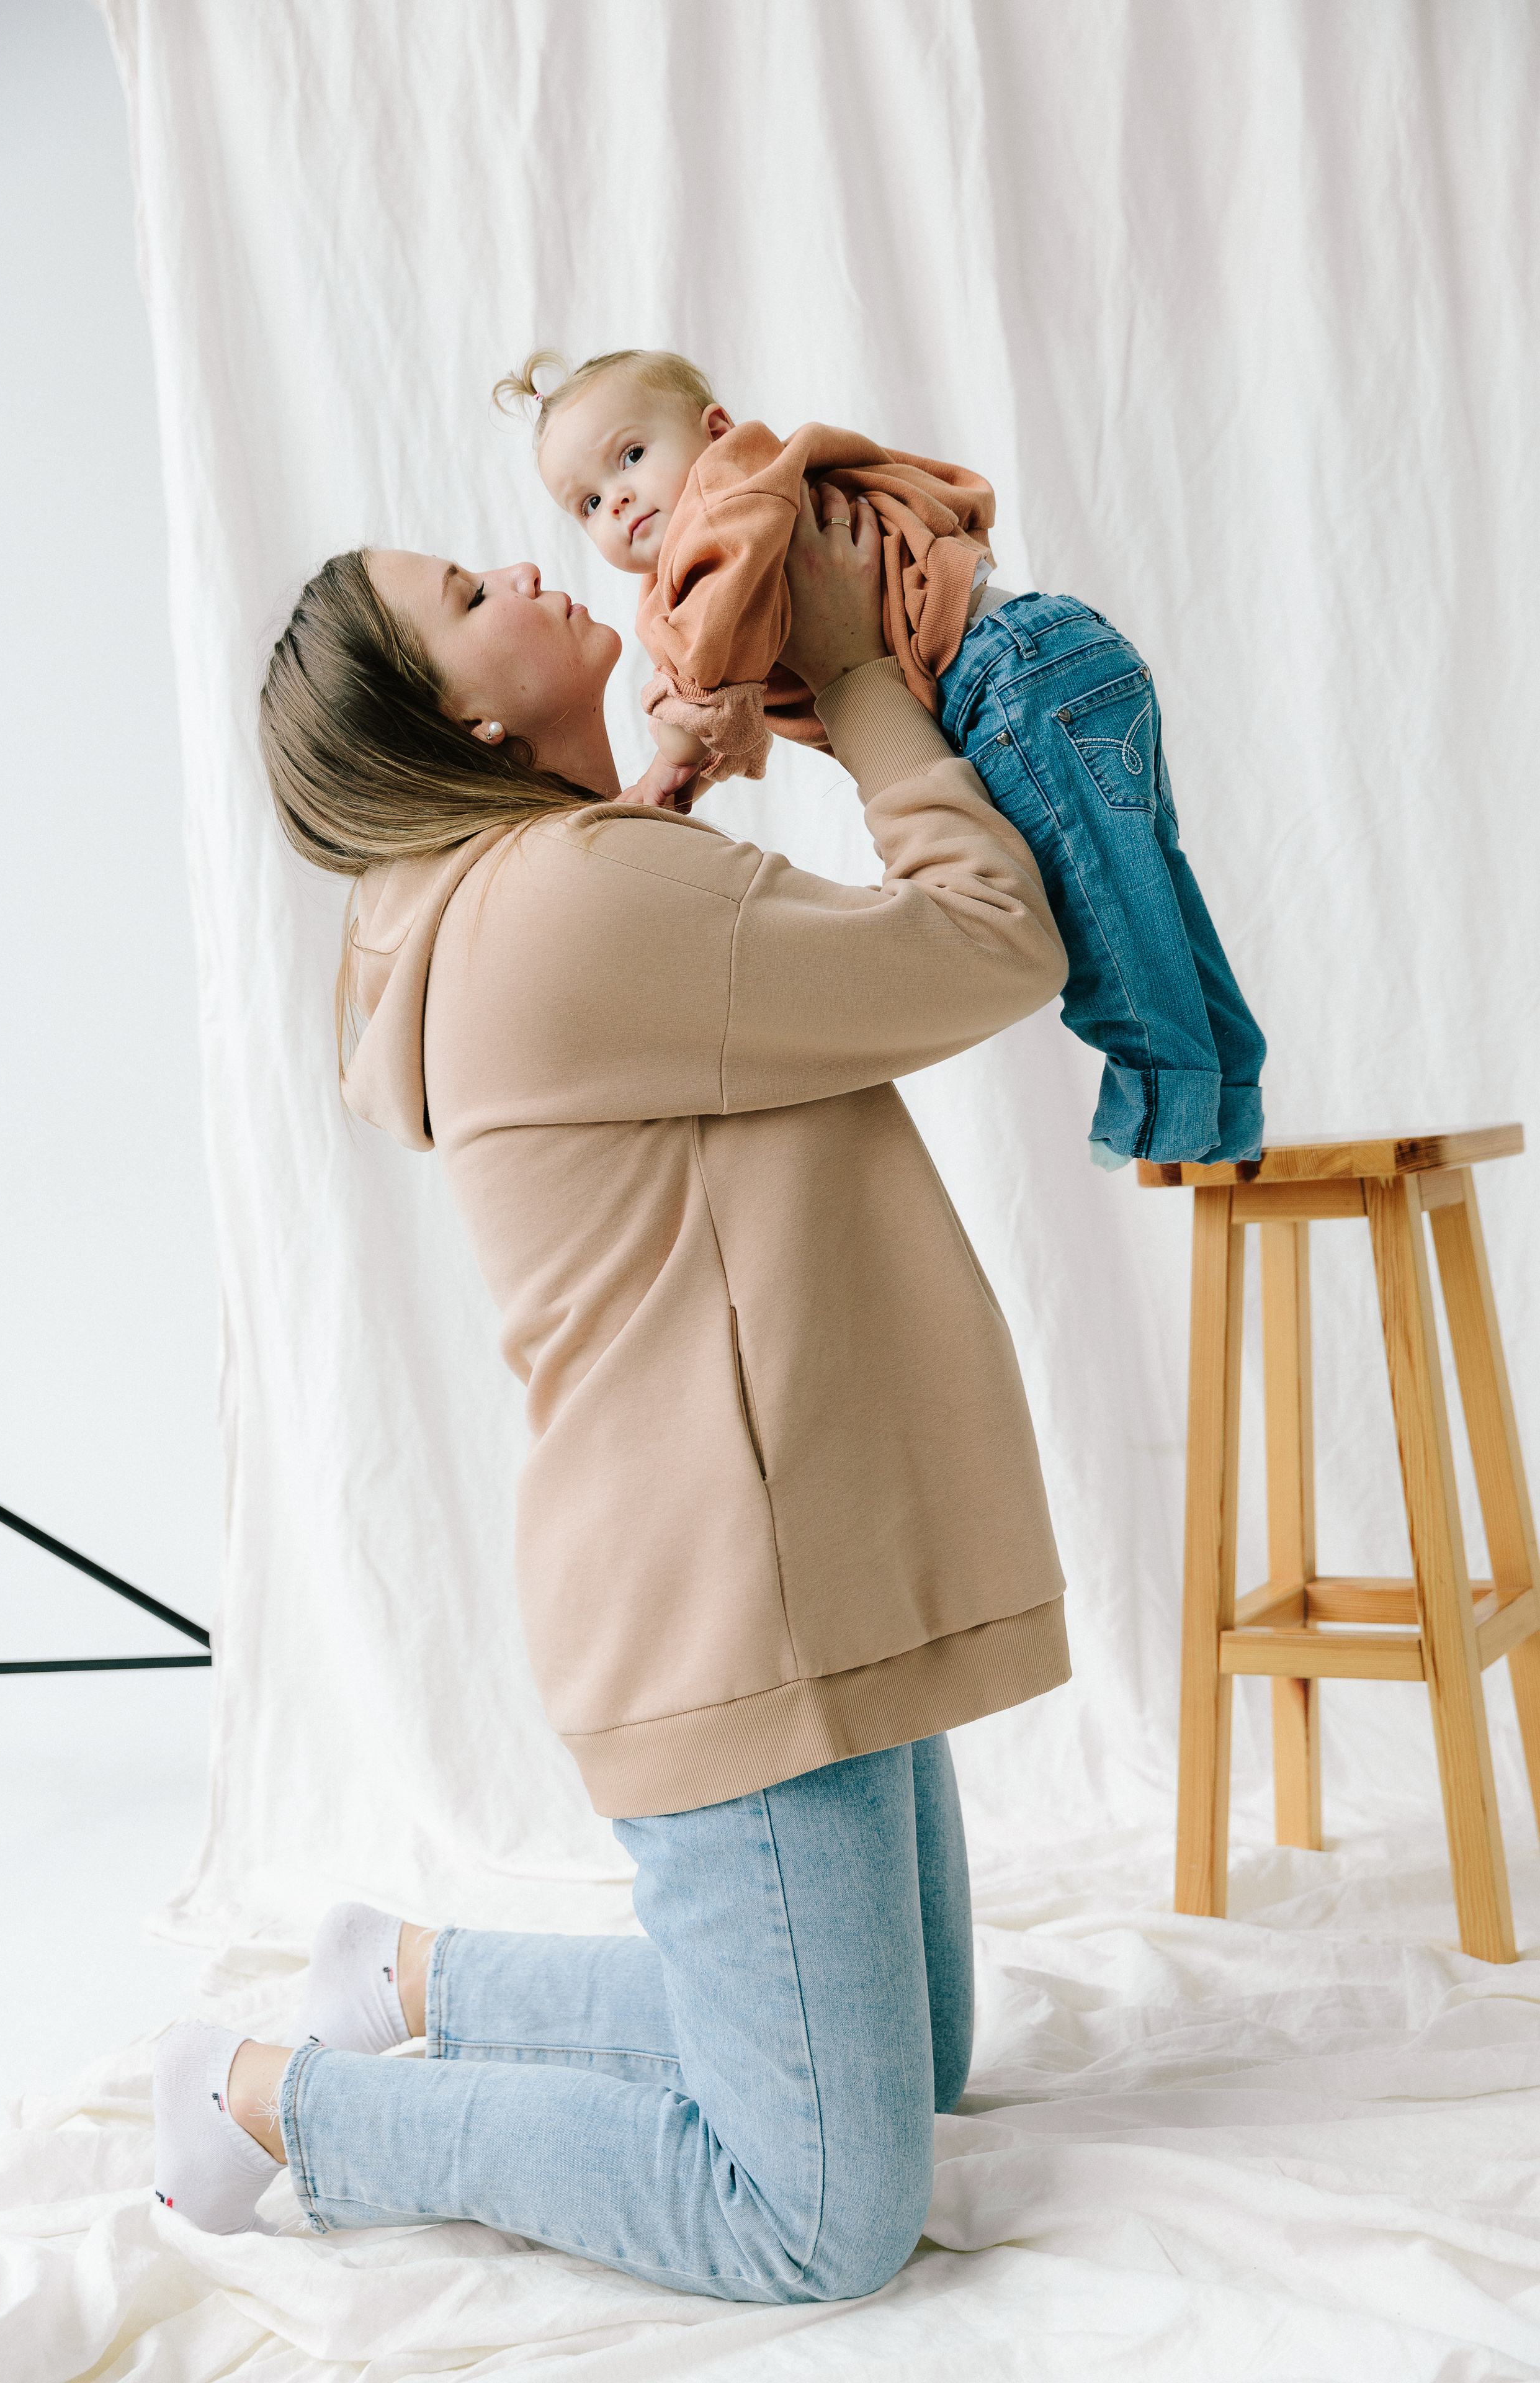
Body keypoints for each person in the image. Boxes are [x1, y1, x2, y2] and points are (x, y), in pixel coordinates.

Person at [152, 487, 1071, 2303]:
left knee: (922, 2066)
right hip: (736, 1610)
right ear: (465, 721)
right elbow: (994, 943)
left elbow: (650, 969)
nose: (532, 572)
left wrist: (656, 800)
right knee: (814, 2214)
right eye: (473, 594)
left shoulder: (514, 903)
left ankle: (413, 1978)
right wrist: (847, 677)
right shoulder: (581, 906)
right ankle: (275, 2103)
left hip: (797, 1559)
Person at [500, 344, 1266, 1172]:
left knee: (1101, 906)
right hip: (1049, 661)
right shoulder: (732, 541)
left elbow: (712, 654)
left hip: (1009, 678)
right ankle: (1230, 1100)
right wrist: (700, 762)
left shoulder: (732, 499)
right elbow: (742, 664)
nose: (617, 500)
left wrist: (672, 759)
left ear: (715, 431)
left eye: (631, 457)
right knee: (1146, 889)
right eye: (587, 503)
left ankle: (1165, 1105)